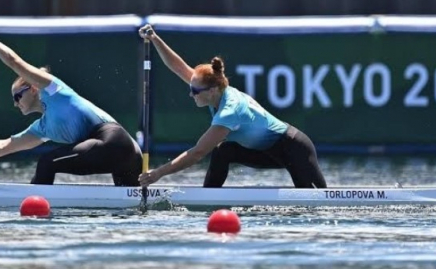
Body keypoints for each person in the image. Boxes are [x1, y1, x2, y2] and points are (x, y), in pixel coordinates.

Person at [138, 25, 327, 189]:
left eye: (195, 91)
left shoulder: (230, 110)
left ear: (212, 91)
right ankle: (209, 200)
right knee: (223, 151)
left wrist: (159, 173)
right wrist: (155, 39)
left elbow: (198, 153)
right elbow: (179, 67)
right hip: (266, 151)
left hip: (294, 148)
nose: (191, 94)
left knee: (319, 205)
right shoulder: (214, 88)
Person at [0, 41, 142, 186]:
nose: (15, 103)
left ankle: (34, 204)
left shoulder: (53, 89)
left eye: (17, 97)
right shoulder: (43, 128)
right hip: (131, 155)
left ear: (33, 89)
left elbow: (13, 61)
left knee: (47, 162)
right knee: (132, 205)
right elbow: (6, 146)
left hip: (114, 141)